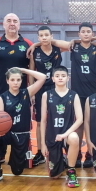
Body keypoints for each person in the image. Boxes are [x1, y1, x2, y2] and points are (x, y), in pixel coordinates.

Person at [27, 22, 96, 168]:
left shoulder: (95, 48)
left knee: (92, 123)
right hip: (75, 91)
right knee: (73, 122)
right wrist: (35, 44)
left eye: (89, 32)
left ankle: (90, 153)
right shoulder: (73, 47)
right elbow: (53, 40)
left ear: (92, 33)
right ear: (78, 34)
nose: (86, 34)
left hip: (93, 91)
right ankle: (69, 154)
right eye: (83, 32)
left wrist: (94, 39)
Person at [0, 13, 33, 167]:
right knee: (0, 123)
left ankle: (21, 155)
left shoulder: (27, 43)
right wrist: (4, 80)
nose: (12, 24)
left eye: (15, 21)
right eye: (9, 21)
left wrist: (30, 91)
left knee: (21, 124)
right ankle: (0, 155)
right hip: (0, 91)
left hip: (22, 93)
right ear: (3, 24)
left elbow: (31, 67)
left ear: (19, 25)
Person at [0, 67, 46, 185]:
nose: (16, 82)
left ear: (21, 81)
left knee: (17, 171)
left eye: (18, 79)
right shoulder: (2, 98)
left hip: (22, 135)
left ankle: (15, 160)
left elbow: (42, 77)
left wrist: (23, 70)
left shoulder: (26, 93)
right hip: (7, 133)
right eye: (12, 79)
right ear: (7, 81)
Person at [40, 66, 83, 188]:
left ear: (68, 78)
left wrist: (65, 134)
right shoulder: (46, 95)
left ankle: (71, 171)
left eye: (63, 76)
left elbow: (80, 119)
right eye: (57, 76)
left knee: (74, 138)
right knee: (55, 176)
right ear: (53, 78)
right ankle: (62, 160)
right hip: (52, 136)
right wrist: (43, 144)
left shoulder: (73, 95)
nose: (60, 78)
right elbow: (43, 121)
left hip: (66, 135)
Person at [29, 26, 62, 166]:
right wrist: (32, 91)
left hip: (55, 88)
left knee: (57, 119)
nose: (44, 37)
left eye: (46, 35)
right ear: (38, 37)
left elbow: (71, 43)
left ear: (51, 36)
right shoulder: (34, 52)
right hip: (40, 89)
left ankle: (58, 151)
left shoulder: (57, 49)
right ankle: (40, 152)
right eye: (41, 35)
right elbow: (31, 71)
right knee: (39, 121)